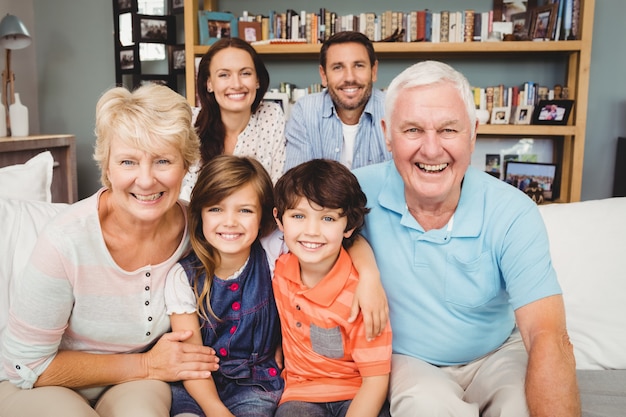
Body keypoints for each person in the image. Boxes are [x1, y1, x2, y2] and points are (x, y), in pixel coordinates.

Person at [353, 61, 580, 416]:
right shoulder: (354, 192)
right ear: (386, 132)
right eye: (412, 130)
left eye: (448, 130)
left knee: (520, 407)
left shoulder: (513, 211)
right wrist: (365, 268)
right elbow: (294, 232)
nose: (431, 150)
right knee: (424, 407)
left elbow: (546, 334)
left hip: (497, 352)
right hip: (411, 359)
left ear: (472, 133)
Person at [0, 84, 220, 417]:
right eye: (128, 161)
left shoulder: (199, 229)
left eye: (163, 160)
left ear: (186, 165)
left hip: (134, 381)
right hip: (42, 381)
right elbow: (25, 364)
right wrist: (146, 363)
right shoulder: (65, 240)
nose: (146, 181)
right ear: (108, 168)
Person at [165, 155, 284, 417]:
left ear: (263, 215)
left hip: (254, 385)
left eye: (245, 210)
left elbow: (328, 241)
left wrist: (368, 275)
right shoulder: (182, 277)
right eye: (216, 209)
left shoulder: (273, 251)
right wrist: (217, 411)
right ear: (201, 215)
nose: (230, 221)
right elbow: (191, 362)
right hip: (195, 386)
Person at [272, 159, 392, 417]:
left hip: (357, 393)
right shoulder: (279, 270)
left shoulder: (362, 295)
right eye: (298, 216)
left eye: (327, 218)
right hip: (301, 395)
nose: (312, 231)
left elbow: (376, 381)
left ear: (349, 226)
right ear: (279, 220)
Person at [180, 37, 285, 202]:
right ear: (209, 83)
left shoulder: (271, 116)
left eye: (245, 73)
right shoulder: (190, 122)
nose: (236, 84)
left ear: (257, 80)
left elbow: (278, 191)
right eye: (224, 75)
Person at [284, 31, 390, 171]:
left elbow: (403, 184)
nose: (349, 78)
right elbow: (296, 185)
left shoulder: (393, 110)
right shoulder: (304, 112)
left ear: (373, 71)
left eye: (358, 65)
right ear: (323, 75)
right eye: (338, 67)